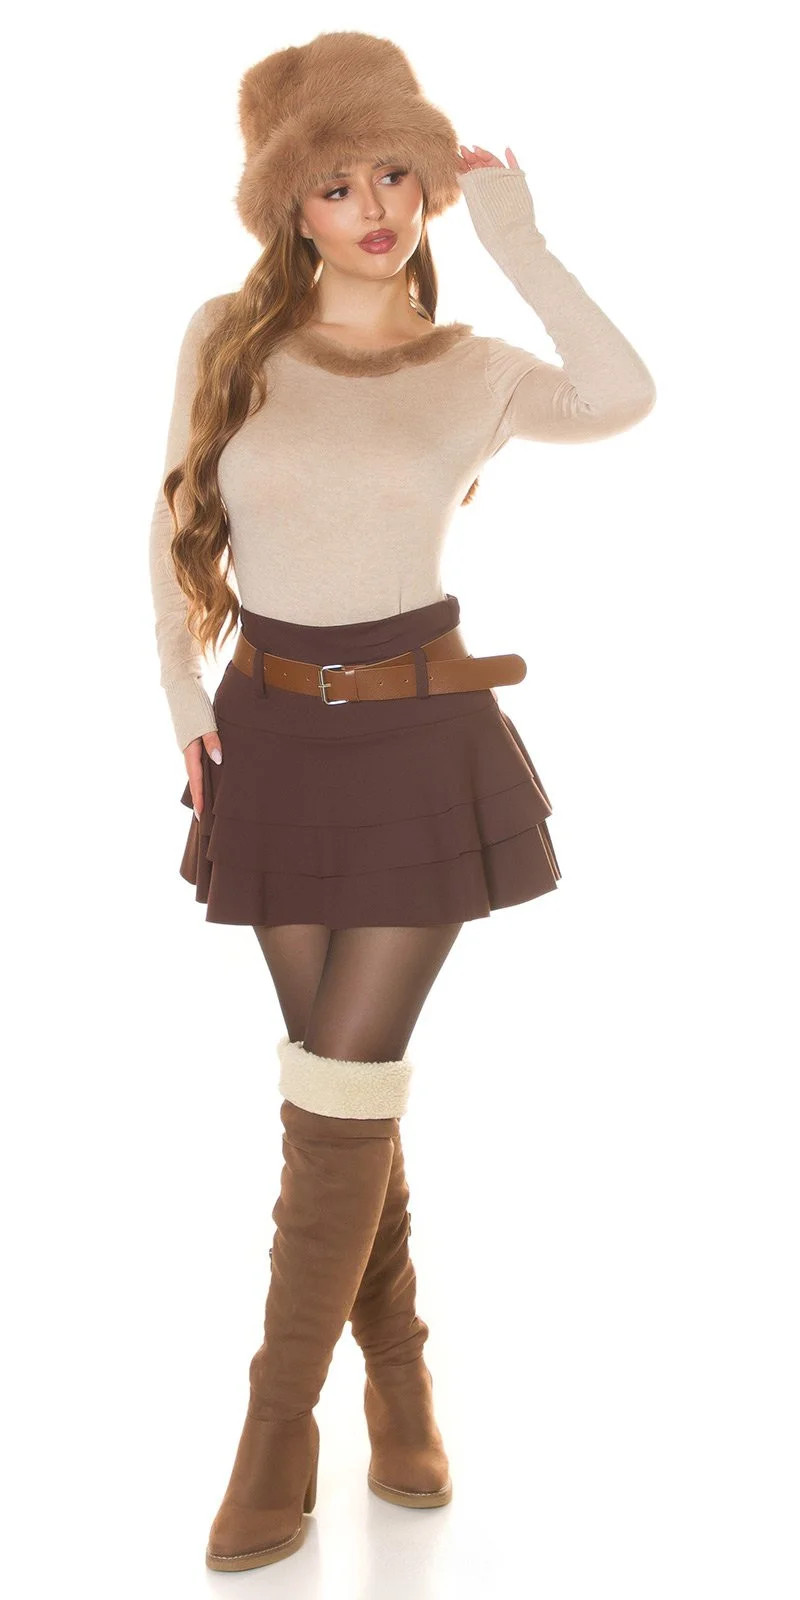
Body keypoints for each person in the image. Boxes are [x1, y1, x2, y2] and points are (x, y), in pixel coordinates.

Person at [147, 29, 656, 1572]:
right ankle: (404, 1379)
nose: (373, 208)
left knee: (338, 1085)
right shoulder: (229, 340)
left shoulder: (475, 372)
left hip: (420, 739)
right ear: (289, 207)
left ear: (428, 186)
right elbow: (171, 528)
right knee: (339, 1086)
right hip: (266, 737)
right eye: (336, 185)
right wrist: (183, 707)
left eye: (394, 175)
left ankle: (273, 1435)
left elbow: (623, 393)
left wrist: (522, 242)